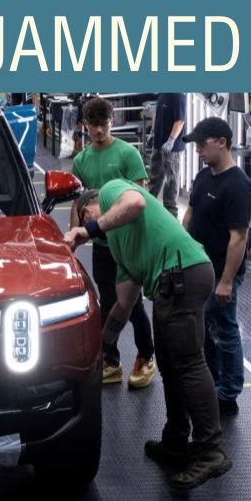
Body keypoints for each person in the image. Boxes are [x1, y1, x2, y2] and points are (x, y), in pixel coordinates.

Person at [65, 180, 230, 489]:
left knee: (189, 364)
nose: (88, 229)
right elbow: (124, 304)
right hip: (171, 283)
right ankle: (176, 440)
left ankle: (210, 450)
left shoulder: (113, 190)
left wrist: (89, 230)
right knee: (169, 365)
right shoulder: (118, 246)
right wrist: (99, 348)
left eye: (86, 219)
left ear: (89, 209)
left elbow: (136, 204)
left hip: (184, 272)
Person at [71, 96, 156, 389]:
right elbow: (78, 202)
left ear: (112, 122)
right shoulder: (81, 161)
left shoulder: (126, 155)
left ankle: (146, 356)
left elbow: (141, 198)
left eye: (103, 124)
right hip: (102, 246)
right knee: (106, 303)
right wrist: (72, 237)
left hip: (128, 244)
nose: (98, 130)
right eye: (93, 125)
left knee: (131, 305)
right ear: (85, 126)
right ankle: (111, 361)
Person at [181, 117, 251, 417]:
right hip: (198, 267)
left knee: (224, 330)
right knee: (206, 329)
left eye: (202, 143)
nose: (197, 149)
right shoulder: (203, 177)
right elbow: (190, 214)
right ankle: (212, 382)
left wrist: (226, 281)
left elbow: (239, 239)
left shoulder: (238, 186)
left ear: (222, 142)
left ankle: (228, 393)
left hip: (221, 271)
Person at [148, 92, 186, 215]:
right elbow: (157, 114)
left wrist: (171, 140)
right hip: (159, 144)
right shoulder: (163, 95)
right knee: (155, 177)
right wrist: (152, 133)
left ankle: (171, 213)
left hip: (172, 148)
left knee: (171, 180)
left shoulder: (178, 96)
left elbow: (180, 120)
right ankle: (149, 206)